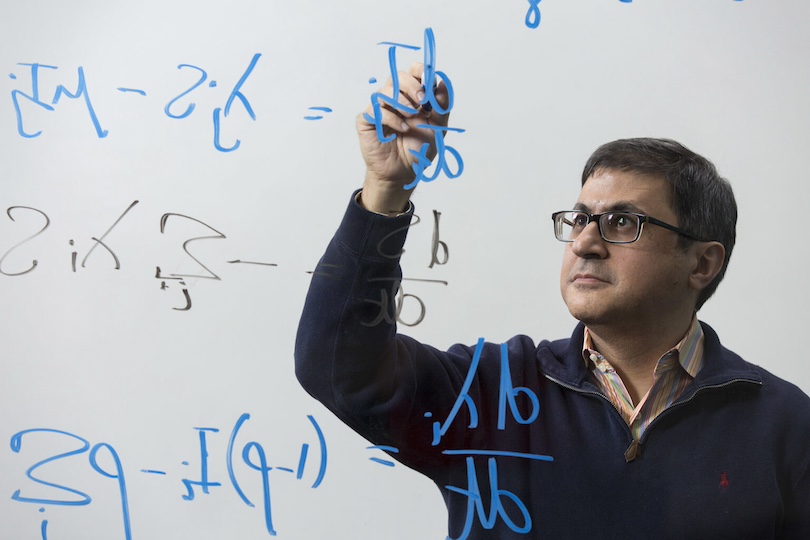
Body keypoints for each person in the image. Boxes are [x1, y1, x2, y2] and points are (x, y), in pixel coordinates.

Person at [294, 62, 810, 539]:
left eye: (623, 222)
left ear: (702, 263)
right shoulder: (489, 393)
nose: (585, 242)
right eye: (580, 218)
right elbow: (336, 365)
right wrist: (387, 187)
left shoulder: (785, 425)